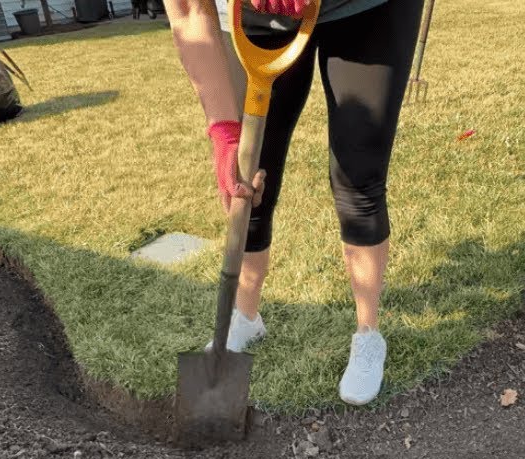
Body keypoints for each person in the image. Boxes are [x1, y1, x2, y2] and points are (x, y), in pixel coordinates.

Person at [162, 0, 422, 404]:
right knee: (250, 173)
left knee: (357, 172)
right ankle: (245, 316)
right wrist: (225, 134)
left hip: (366, 10)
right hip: (259, 16)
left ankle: (368, 334)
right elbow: (189, 13)